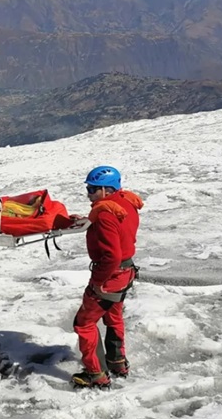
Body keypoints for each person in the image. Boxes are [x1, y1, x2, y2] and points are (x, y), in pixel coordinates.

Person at [71, 165, 144, 389]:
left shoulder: (104, 214)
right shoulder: (125, 202)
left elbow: (111, 255)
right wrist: (88, 219)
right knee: (113, 317)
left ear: (105, 189)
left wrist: (98, 283)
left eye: (92, 189)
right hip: (126, 272)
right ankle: (117, 362)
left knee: (84, 323)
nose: (89, 194)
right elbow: (118, 226)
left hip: (111, 276)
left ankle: (96, 374)